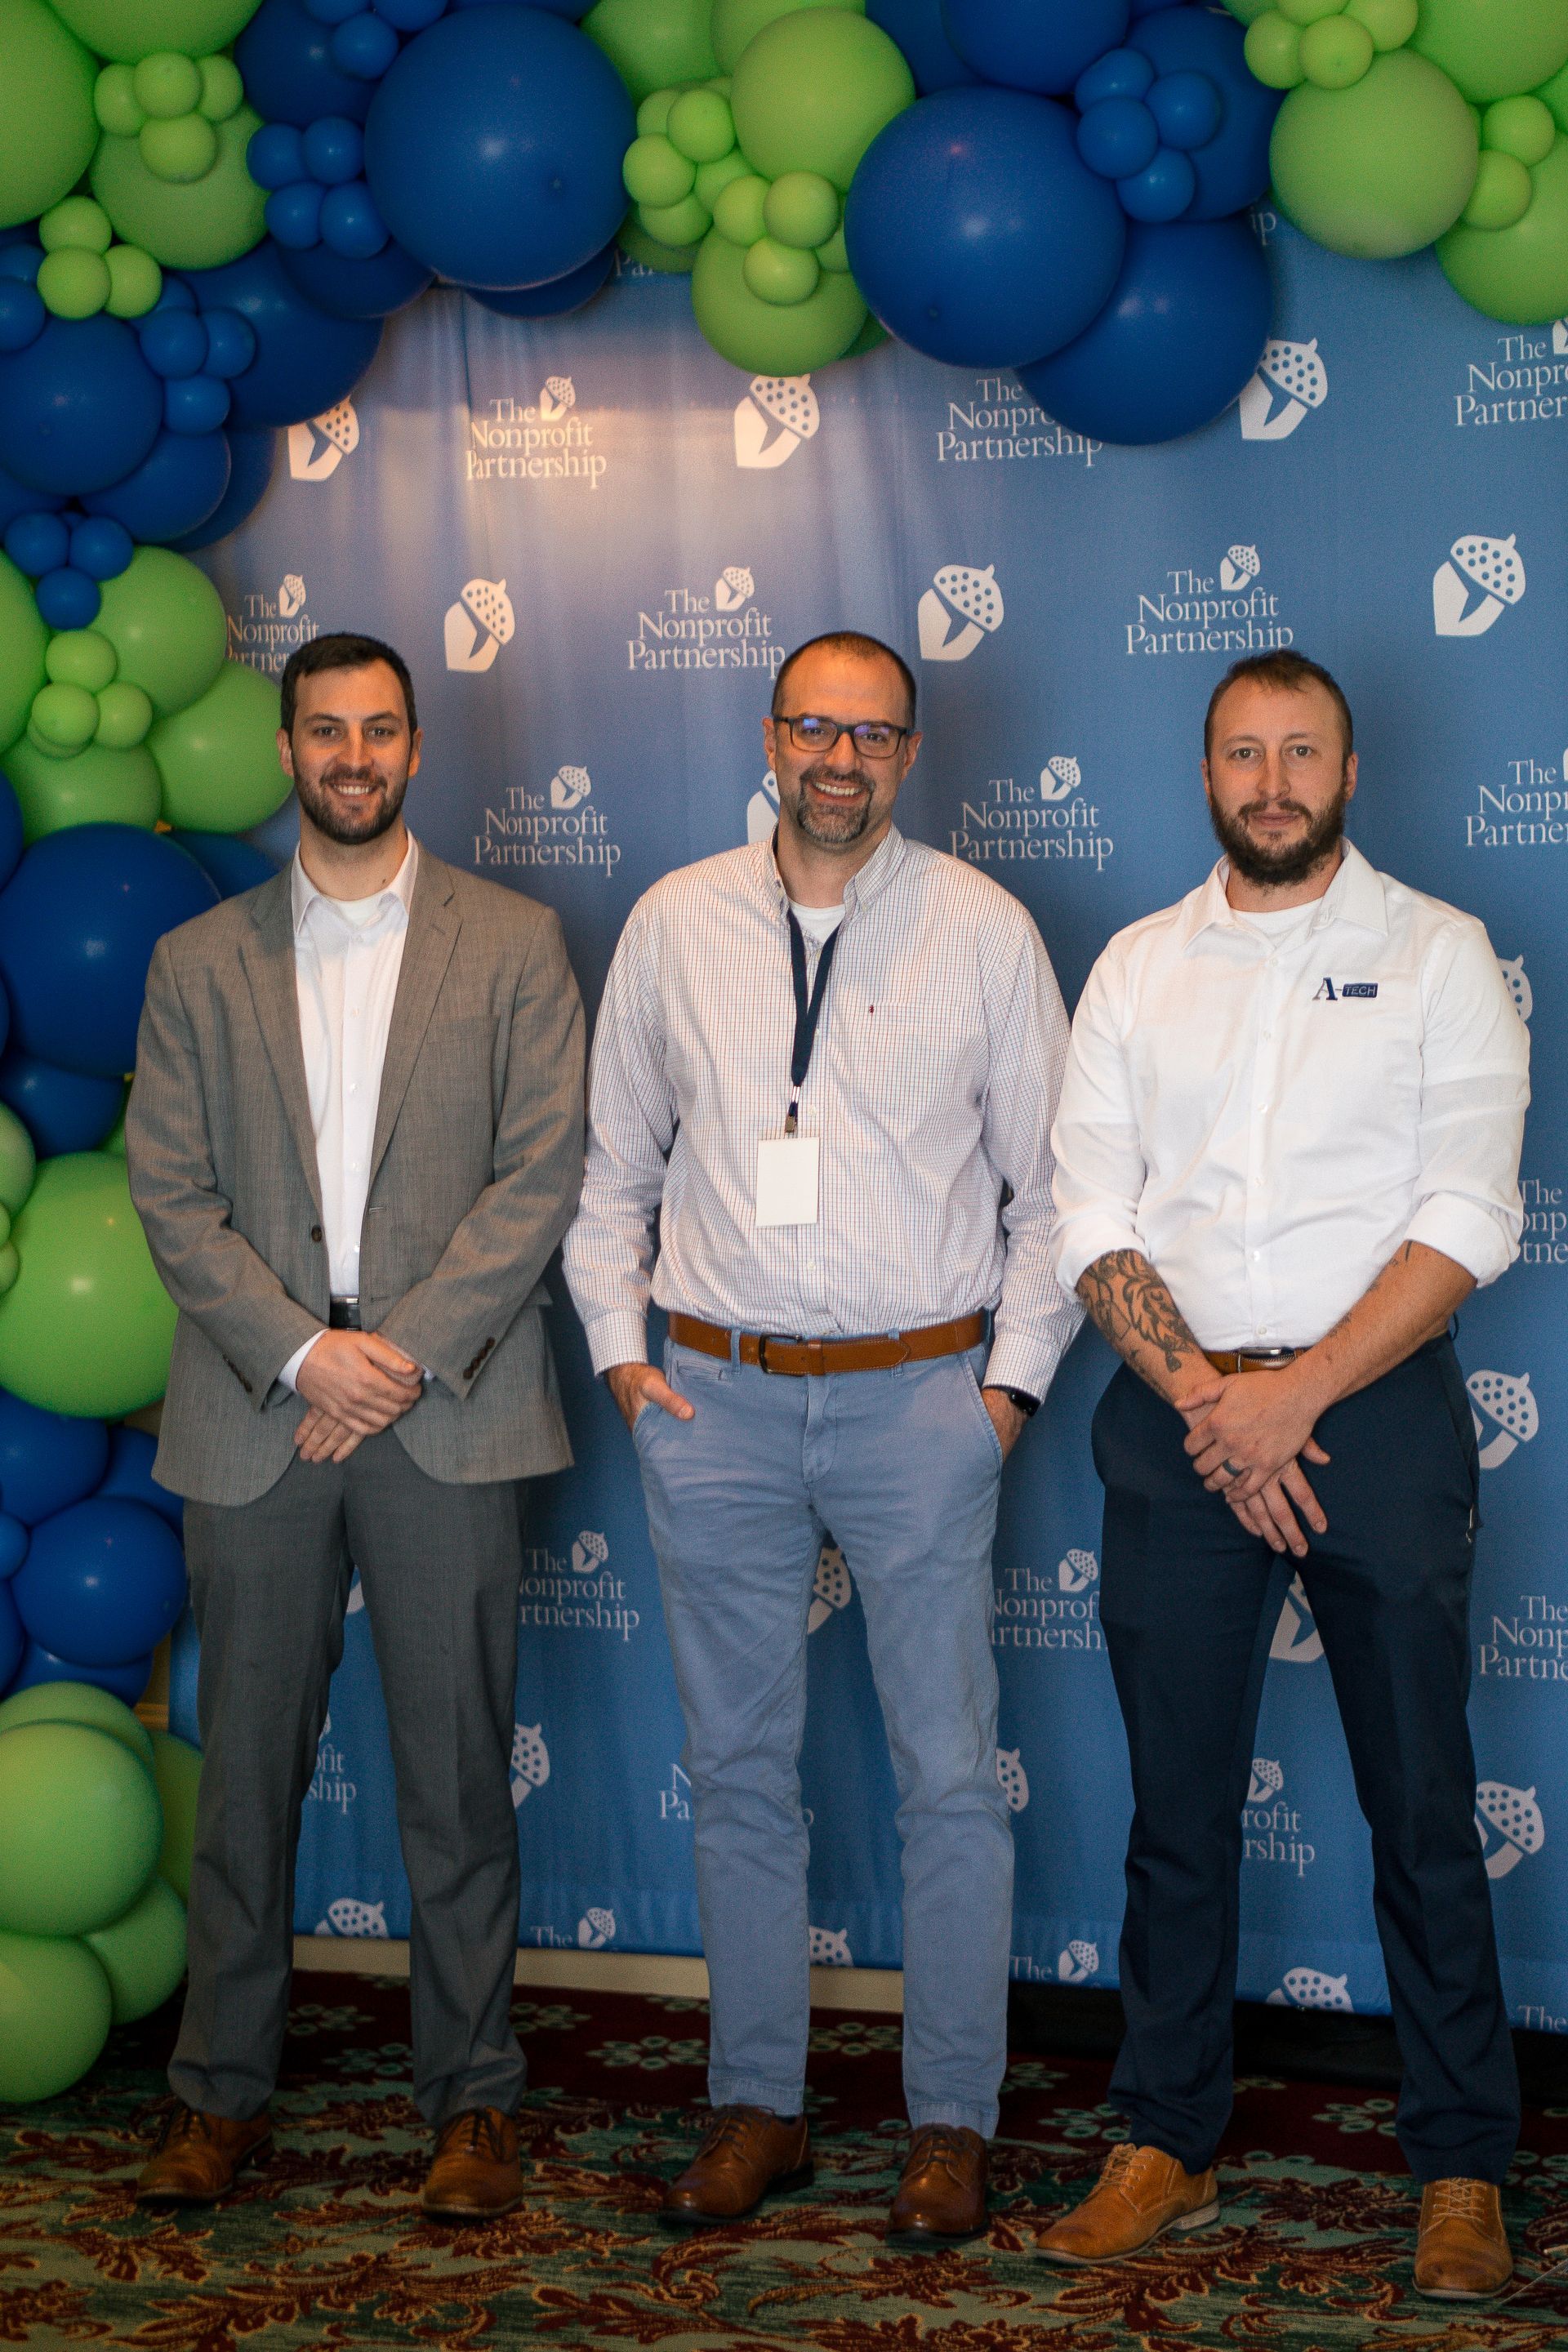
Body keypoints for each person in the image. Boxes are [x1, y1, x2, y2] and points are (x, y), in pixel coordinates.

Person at [564, 630, 1080, 2244]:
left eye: (874, 733)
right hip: (711, 1402)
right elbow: (611, 1184)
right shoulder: (671, 921)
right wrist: (622, 1363)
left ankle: (949, 2125)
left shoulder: (986, 932)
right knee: (736, 1775)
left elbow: (1054, 1200)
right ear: (770, 735)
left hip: (919, 1400)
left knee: (947, 1780)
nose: (841, 759)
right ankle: (759, 2107)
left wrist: (1002, 1396)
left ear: (910, 756)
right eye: (815, 726)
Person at [1040, 649, 1529, 2299]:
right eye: (1242, 754)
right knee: (1177, 1810)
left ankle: (1461, 2161)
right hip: (1180, 1418)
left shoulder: (1440, 954)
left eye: (1299, 751)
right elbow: (1090, 1217)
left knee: (1423, 1804)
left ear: (1349, 767)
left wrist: (1296, 1395)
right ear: (1204, 775)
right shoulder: (1134, 969)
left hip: (1371, 1415)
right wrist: (1208, 1395)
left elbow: (1469, 1211)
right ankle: (1163, 2131)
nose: (1271, 780)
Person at [125, 632, 585, 2219]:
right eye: (324, 730)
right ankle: (216, 2097)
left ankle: (473, 2106)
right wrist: (302, 1357)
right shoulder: (198, 963)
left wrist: (390, 1355)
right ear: (287, 749)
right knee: (245, 1777)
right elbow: (170, 1195)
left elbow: (543, 1174)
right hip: (260, 1415)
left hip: (441, 1410)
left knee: (457, 1781)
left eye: (379, 730)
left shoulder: (517, 941)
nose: (352, 754)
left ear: (413, 747)